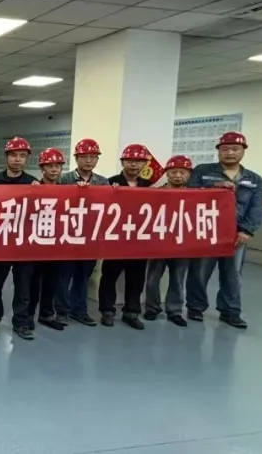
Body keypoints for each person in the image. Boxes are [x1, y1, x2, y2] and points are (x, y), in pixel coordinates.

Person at [186, 131, 262, 329]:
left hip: (236, 235)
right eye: (225, 149)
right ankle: (195, 307)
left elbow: (256, 208)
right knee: (199, 271)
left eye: (235, 149)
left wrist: (247, 231)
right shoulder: (202, 171)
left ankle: (230, 311)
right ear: (219, 151)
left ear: (243, 151)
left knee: (232, 274)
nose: (230, 153)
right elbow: (189, 195)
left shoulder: (254, 179)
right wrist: (215, 187)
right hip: (207, 231)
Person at [0, 136, 38, 340]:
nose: (17, 159)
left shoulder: (33, 184)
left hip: (24, 244)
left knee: (23, 287)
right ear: (6, 157)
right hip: (0, 242)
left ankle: (21, 322)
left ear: (26, 159)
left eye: (22, 156)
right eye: (14, 155)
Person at [99, 144, 154, 330]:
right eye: (130, 161)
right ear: (123, 162)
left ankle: (131, 312)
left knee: (136, 279)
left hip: (139, 241)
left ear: (144, 164)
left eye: (138, 161)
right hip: (115, 240)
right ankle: (107, 311)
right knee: (109, 277)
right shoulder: (110, 183)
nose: (134, 165)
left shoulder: (150, 186)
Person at [57, 138, 109, 327]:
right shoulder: (64, 180)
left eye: (93, 157)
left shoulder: (103, 182)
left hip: (90, 237)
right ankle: (61, 310)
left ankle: (79, 310)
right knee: (64, 275)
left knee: (83, 276)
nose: (89, 161)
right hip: (67, 236)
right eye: (84, 157)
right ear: (76, 158)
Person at [144, 155, 194, 327]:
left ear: (189, 174)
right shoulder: (155, 194)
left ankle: (175, 311)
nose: (178, 176)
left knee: (178, 279)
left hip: (182, 245)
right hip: (158, 243)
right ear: (167, 173)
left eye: (182, 172)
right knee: (152, 278)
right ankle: (152, 308)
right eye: (174, 172)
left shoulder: (195, 196)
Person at [30, 148, 67, 331]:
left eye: (57, 166)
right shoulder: (32, 188)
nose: (53, 169)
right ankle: (28, 315)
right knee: (33, 283)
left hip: (56, 244)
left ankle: (46, 314)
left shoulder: (67, 191)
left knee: (52, 282)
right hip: (35, 244)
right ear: (42, 168)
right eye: (49, 166)